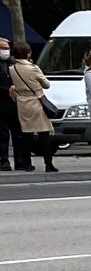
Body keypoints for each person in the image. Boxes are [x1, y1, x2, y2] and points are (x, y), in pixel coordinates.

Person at [8, 42, 59, 173]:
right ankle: (48, 164)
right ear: (28, 53)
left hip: (22, 103)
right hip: (36, 101)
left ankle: (27, 163)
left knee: (26, 135)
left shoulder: (12, 68)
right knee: (44, 134)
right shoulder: (33, 68)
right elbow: (46, 84)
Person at [0, 35, 31, 173]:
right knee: (3, 134)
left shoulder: (14, 64)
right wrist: (8, 90)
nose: (6, 51)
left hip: (16, 104)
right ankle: (4, 160)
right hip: (2, 104)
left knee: (19, 134)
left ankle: (20, 160)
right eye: (3, 48)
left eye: (7, 48)